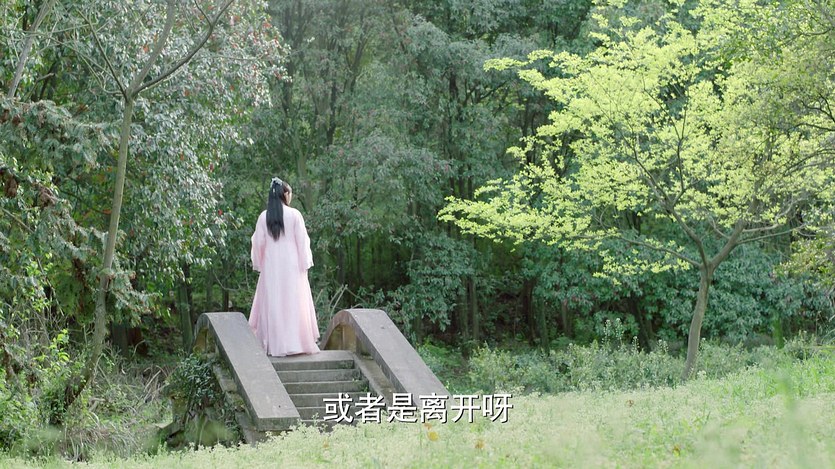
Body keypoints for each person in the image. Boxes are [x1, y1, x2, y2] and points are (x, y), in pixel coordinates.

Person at [248, 177, 320, 356]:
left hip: (271, 265)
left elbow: (258, 243)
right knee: (294, 301)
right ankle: (296, 342)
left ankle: (275, 344)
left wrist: (259, 262)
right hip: (292, 265)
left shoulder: (264, 217)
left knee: (273, 302)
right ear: (285, 194)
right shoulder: (294, 215)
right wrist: (305, 262)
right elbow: (302, 241)